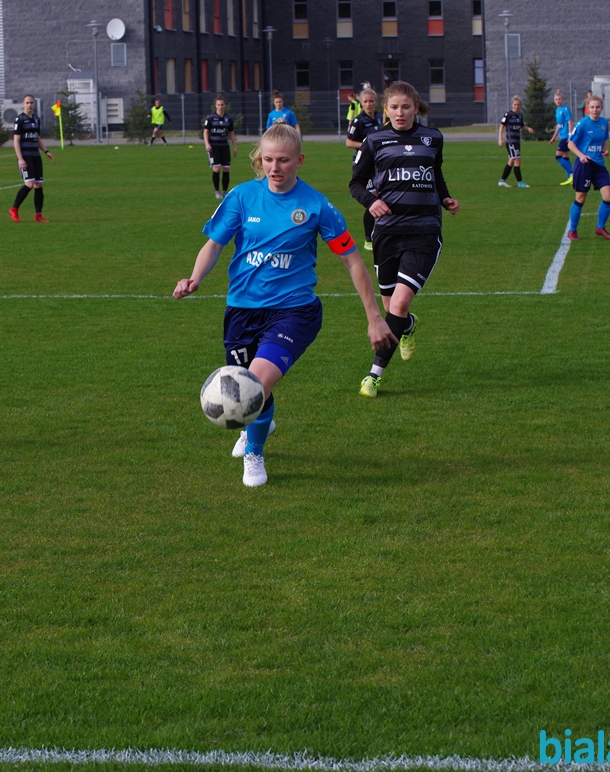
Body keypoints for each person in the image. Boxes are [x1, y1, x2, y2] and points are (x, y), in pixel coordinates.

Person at [173, 123, 395, 487]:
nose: (274, 167)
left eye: (283, 160)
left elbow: (353, 261)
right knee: (248, 389)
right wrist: (195, 278)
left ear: (300, 160)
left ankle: (254, 453)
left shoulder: (316, 205)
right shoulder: (242, 197)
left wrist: (375, 317)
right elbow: (214, 244)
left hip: (295, 312)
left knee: (256, 383)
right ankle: (256, 422)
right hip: (242, 310)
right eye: (268, 160)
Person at [349, 80, 460, 398]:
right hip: (387, 233)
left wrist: (445, 198)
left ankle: (373, 376)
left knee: (397, 304)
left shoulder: (432, 138)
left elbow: (435, 174)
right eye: (394, 107)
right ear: (386, 109)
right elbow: (356, 183)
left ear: (416, 108)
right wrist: (371, 202)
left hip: (424, 232)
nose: (400, 113)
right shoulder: (374, 140)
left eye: (406, 107)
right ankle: (408, 325)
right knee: (393, 312)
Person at [566, 94, 610, 241]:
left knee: (608, 197)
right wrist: (581, 155)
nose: (595, 110)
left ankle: (600, 227)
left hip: (599, 165)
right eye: (592, 107)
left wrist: (605, 150)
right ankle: (572, 230)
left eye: (597, 107)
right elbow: (570, 144)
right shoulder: (582, 124)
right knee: (580, 198)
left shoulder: (604, 123)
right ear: (588, 109)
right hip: (584, 165)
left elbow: (604, 140)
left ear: (601, 108)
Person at [344, 87, 383, 251]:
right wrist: (368, 147)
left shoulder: (380, 118)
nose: (368, 104)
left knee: (382, 196)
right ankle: (368, 239)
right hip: (364, 165)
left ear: (376, 102)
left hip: (378, 164)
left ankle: (381, 233)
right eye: (365, 101)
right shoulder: (358, 121)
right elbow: (349, 142)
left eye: (371, 101)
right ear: (361, 103)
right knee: (373, 200)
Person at [9, 95, 55, 223]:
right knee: (29, 183)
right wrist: (20, 159)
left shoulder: (36, 119)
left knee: (38, 184)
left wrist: (46, 151)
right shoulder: (19, 120)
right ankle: (14, 209)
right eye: (27, 103)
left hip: (36, 155)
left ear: (34, 104)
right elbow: (16, 141)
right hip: (25, 156)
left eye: (31, 103)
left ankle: (38, 215)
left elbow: (38, 139)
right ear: (23, 104)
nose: (29, 105)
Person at [202, 96, 237, 199]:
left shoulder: (228, 119)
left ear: (225, 105)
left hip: (224, 146)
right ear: (215, 106)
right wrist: (207, 144)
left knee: (226, 169)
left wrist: (235, 147)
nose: (220, 107)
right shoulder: (211, 118)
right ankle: (217, 191)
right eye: (218, 105)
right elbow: (205, 131)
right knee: (216, 168)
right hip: (214, 147)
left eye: (222, 105)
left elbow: (231, 133)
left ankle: (225, 192)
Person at [497, 95, 536, 189]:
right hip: (511, 142)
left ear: (520, 105)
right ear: (512, 105)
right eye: (515, 105)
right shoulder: (508, 115)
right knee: (517, 161)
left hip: (517, 142)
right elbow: (501, 126)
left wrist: (528, 128)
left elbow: (522, 126)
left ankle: (502, 180)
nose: (516, 106)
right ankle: (520, 182)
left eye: (518, 105)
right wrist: (500, 139)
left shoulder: (519, 116)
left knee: (511, 161)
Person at [549, 89, 575, 185]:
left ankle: (572, 174)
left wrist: (570, 135)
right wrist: (553, 137)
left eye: (559, 99)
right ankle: (570, 179)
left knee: (558, 156)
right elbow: (559, 125)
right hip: (562, 136)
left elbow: (570, 122)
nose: (558, 101)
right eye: (556, 99)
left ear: (563, 100)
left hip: (566, 137)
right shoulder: (557, 110)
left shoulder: (565, 109)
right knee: (565, 157)